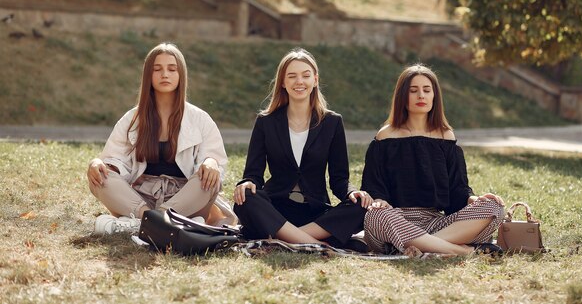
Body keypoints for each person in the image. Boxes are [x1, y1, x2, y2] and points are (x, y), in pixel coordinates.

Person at [87, 43, 236, 235]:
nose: (165, 74)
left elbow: (215, 161)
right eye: (157, 69)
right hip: (142, 199)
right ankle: (165, 223)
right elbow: (113, 161)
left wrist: (210, 162)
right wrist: (96, 163)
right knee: (99, 177)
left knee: (209, 179)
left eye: (172, 69)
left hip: (186, 200)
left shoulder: (200, 119)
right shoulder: (132, 118)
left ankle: (142, 225)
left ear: (181, 74)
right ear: (148, 75)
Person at [361, 64, 505, 256]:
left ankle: (423, 247)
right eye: (413, 91)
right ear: (402, 96)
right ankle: (462, 251)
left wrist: (474, 199)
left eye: (426, 90)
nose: (421, 95)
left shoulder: (445, 136)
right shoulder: (386, 136)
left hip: (436, 223)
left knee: (495, 207)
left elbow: (458, 189)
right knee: (375, 216)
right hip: (395, 219)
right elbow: (373, 185)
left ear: (434, 96)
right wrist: (378, 200)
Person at [233, 48, 371, 247]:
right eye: (292, 76)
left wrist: (352, 193)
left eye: (306, 76)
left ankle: (288, 238)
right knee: (245, 196)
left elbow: (339, 180)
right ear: (283, 82)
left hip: (314, 213)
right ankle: (316, 244)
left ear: (315, 80)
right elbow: (253, 175)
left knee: (363, 206)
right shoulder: (266, 122)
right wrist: (246, 183)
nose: (299, 82)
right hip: (276, 208)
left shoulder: (332, 122)